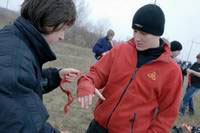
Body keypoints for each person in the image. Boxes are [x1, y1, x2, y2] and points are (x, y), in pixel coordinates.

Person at [77, 4, 182, 133]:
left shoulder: (171, 71)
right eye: (135, 31)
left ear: (158, 34)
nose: (137, 38)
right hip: (97, 127)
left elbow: (168, 113)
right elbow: (96, 73)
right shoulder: (120, 50)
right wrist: (87, 83)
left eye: (143, 33)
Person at [0, 0, 81, 133]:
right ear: (50, 22)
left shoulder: (13, 36)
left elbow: (23, 85)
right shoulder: (15, 62)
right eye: (63, 29)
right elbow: (21, 126)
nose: (63, 37)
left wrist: (56, 75)